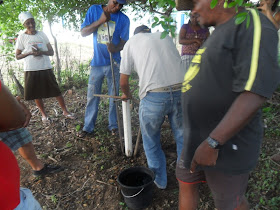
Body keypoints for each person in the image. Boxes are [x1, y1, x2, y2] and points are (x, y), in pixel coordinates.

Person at [176, 1, 280, 210]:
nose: (193, 10)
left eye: (196, 2)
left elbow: (255, 90)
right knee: (186, 183)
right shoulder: (217, 33)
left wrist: (213, 142)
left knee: (229, 203)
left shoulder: (251, 22)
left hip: (225, 146)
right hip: (195, 138)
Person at [120, 25, 185, 189]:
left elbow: (123, 81)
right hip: (181, 92)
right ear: (148, 33)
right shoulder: (164, 36)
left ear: (136, 34)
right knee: (183, 137)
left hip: (154, 96)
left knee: (151, 140)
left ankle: (159, 181)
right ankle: (186, 177)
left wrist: (127, 95)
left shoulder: (131, 42)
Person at [79, 0, 130, 137]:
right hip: (97, 64)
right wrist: (101, 20)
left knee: (114, 96)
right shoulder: (94, 10)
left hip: (114, 63)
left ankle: (113, 126)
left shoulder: (124, 19)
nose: (117, 7)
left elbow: (124, 42)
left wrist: (116, 48)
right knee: (92, 96)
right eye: (115, 3)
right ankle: (88, 127)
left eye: (121, 5)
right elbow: (83, 32)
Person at [15, 11, 74, 123]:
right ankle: (44, 115)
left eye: (32, 22)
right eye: (28, 23)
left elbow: (51, 52)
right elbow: (17, 56)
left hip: (45, 67)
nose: (31, 25)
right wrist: (29, 53)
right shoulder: (22, 37)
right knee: (37, 93)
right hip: (31, 69)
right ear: (24, 25)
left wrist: (41, 52)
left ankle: (65, 111)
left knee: (56, 90)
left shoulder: (42, 34)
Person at [0, 81, 42, 210]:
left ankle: (38, 168)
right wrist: (15, 104)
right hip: (8, 199)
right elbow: (17, 118)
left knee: (21, 137)